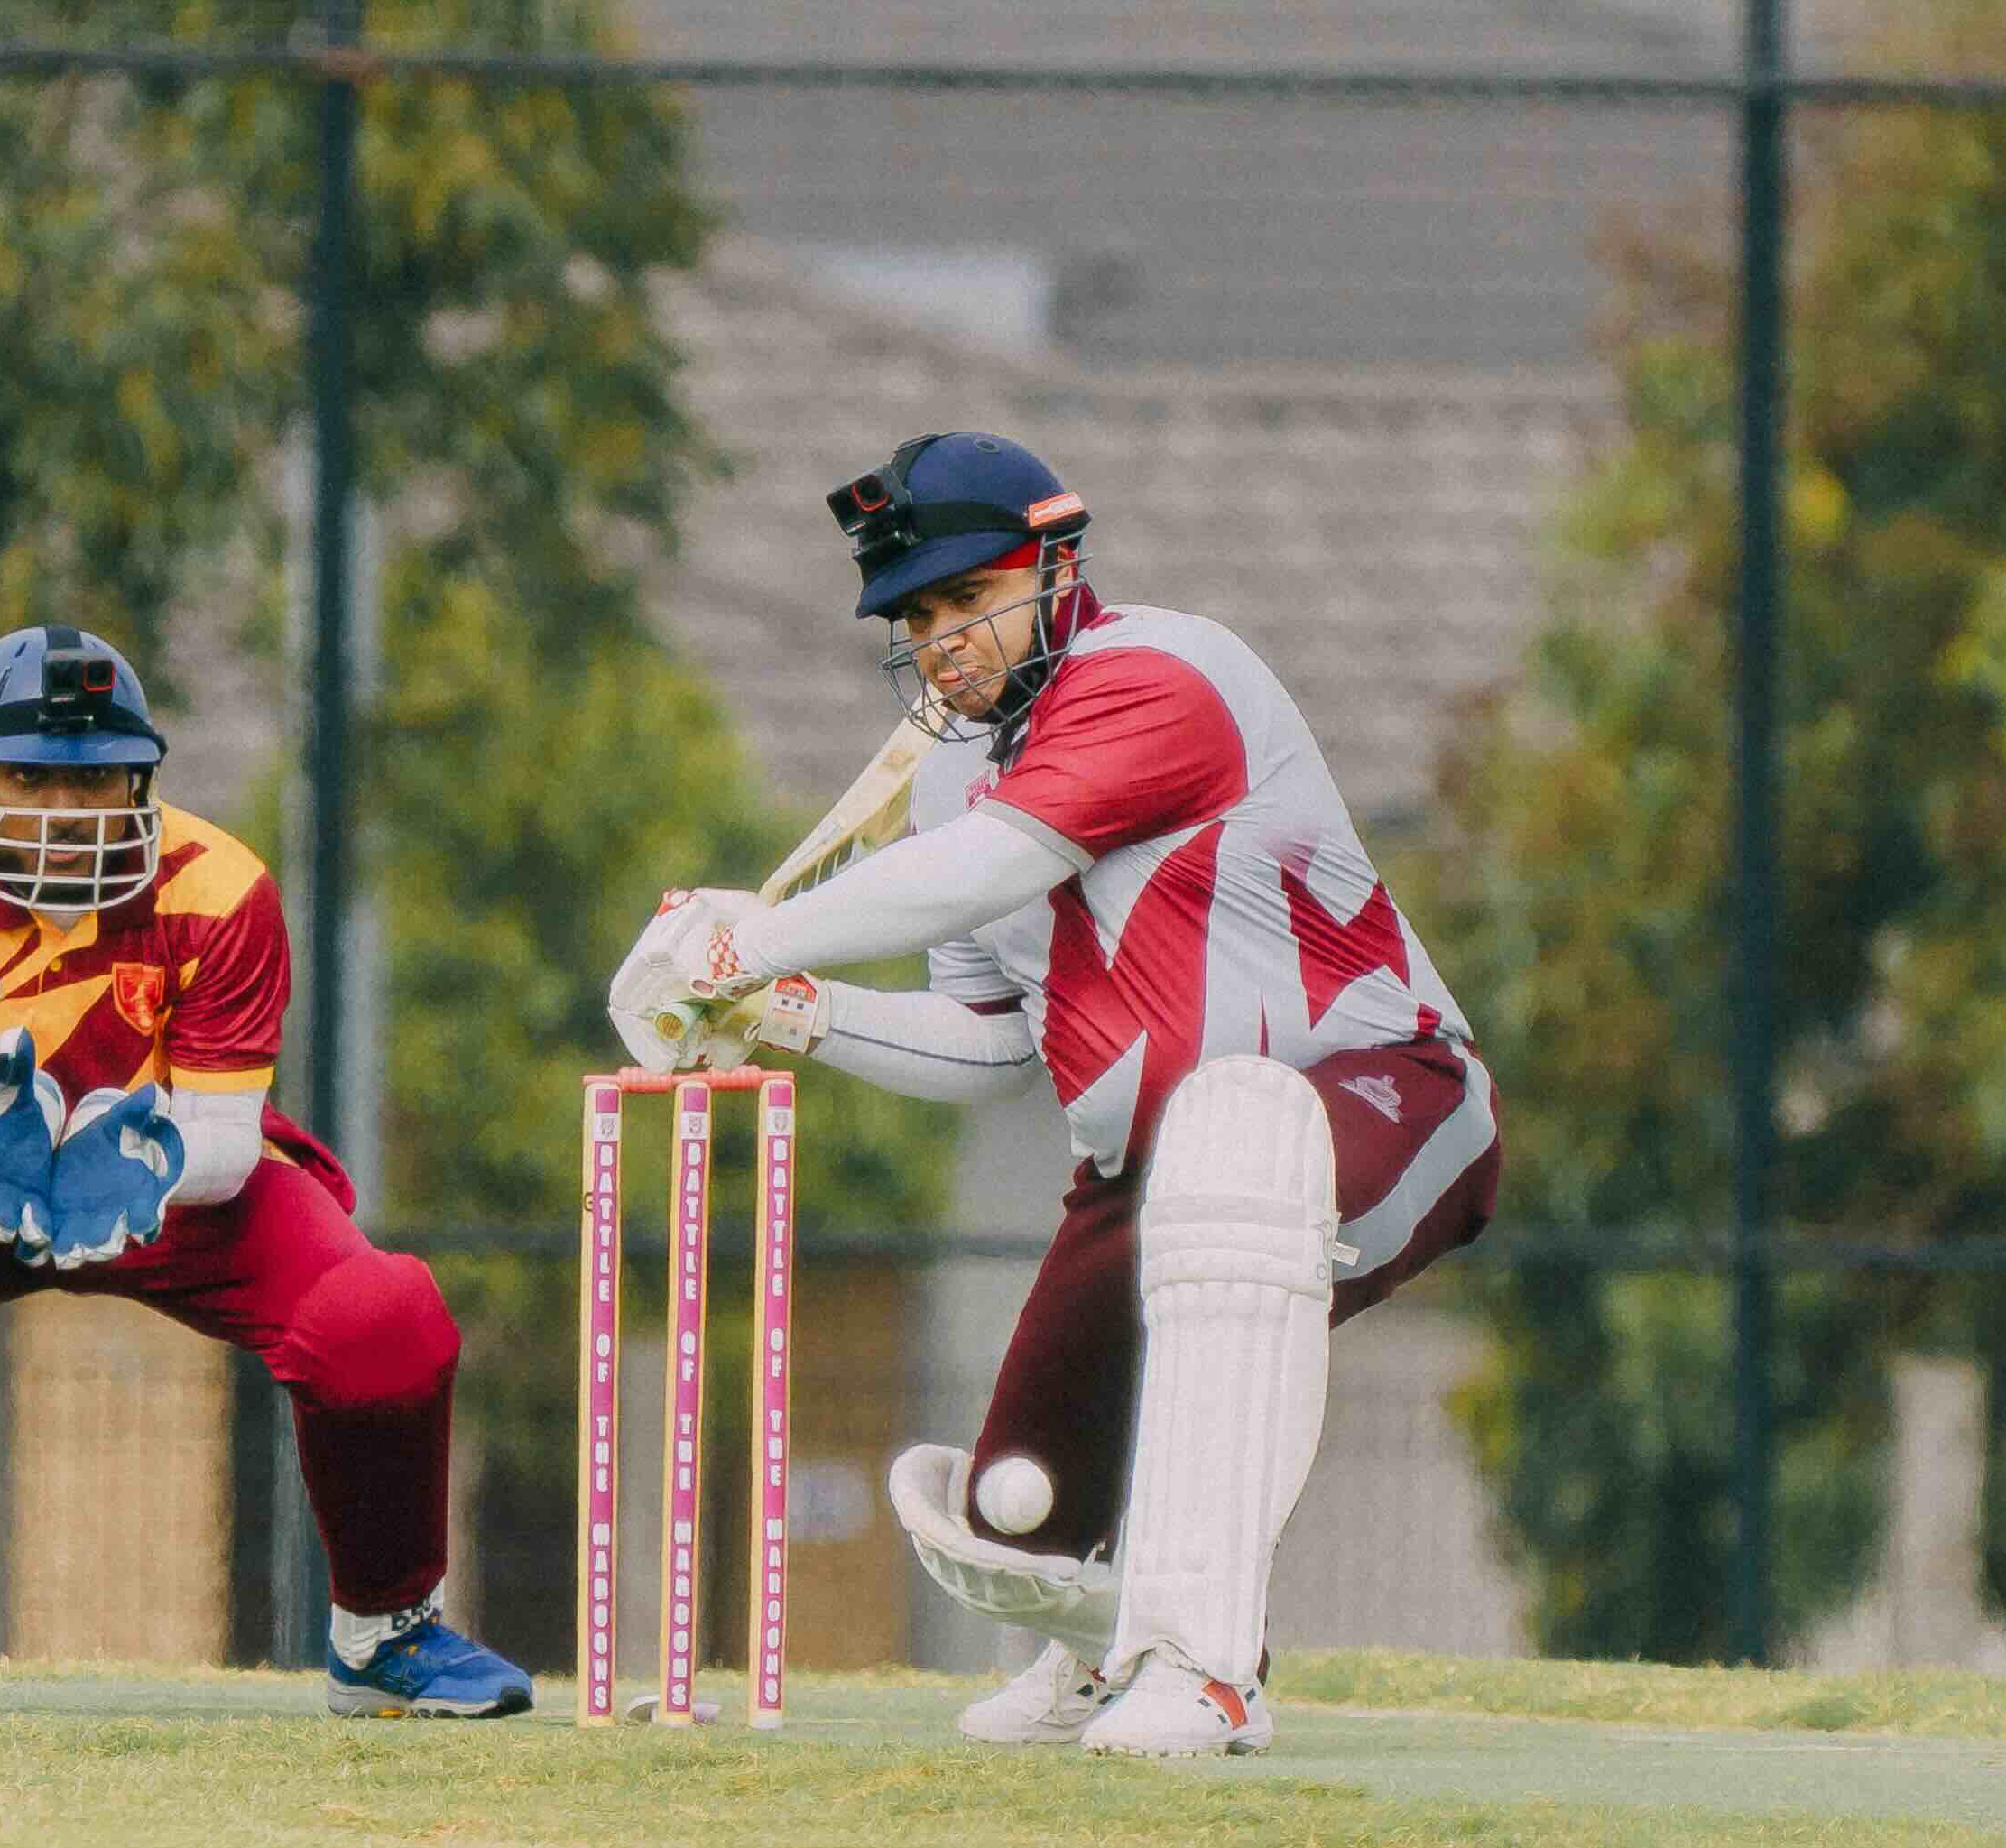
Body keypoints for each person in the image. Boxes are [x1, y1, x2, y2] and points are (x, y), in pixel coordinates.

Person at [607, 433, 1500, 1758]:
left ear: (1055, 561)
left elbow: (986, 868)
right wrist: (788, 1010)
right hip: (1138, 1172)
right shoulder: (956, 782)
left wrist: (752, 934)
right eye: (917, 614)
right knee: (1015, 1520)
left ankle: (1204, 1667)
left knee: (1234, 1168)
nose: (943, 637)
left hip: (1384, 1097)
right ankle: (1100, 1646)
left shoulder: (1161, 675)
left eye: (969, 598)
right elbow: (986, 1043)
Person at [0, 623, 530, 1719]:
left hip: (164, 1177)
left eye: (94, 777)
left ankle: (386, 1630)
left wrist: (132, 1173)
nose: (63, 808)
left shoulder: (223, 885)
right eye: (28, 777)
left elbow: (228, 1137)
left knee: (382, 1317)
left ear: (139, 780)